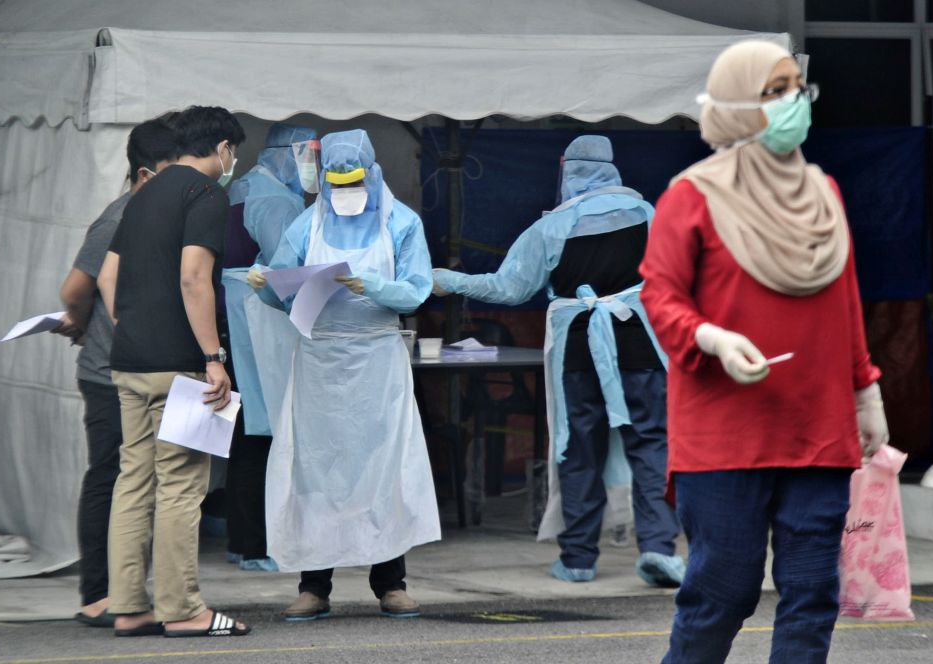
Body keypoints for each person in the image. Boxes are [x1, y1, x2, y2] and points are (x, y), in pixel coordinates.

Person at [638, 41, 888, 663]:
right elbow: (660, 295)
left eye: (795, 88)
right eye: (773, 91)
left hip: (818, 429)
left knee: (811, 596)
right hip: (724, 435)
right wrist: (711, 338)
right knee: (722, 592)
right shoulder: (690, 195)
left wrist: (866, 391)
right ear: (736, 103)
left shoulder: (823, 190)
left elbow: (846, 304)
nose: (791, 103)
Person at [433, 135, 684, 587]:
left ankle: (579, 558)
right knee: (652, 447)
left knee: (579, 450)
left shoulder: (551, 228)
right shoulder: (650, 216)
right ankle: (659, 548)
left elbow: (508, 288)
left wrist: (450, 280)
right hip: (644, 348)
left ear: (567, 169)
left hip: (579, 352)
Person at [248, 128, 440, 621]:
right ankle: (314, 585)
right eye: (336, 184)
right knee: (316, 469)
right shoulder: (306, 224)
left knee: (384, 465)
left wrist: (371, 284)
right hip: (320, 360)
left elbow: (416, 291)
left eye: (353, 182)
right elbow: (283, 288)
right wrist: (265, 283)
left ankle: (390, 581)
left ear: (372, 174)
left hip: (377, 359)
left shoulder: (402, 222)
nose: (345, 193)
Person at [96, 106, 251, 638]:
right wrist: (213, 357)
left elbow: (108, 275)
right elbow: (194, 277)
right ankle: (184, 610)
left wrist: (131, 323)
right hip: (178, 367)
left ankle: (130, 607)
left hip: (129, 362)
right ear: (224, 148)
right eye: (236, 152)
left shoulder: (142, 195)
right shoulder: (206, 195)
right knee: (182, 487)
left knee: (133, 482)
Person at [52, 120, 178, 627]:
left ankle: (130, 590)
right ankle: (98, 594)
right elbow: (73, 291)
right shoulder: (118, 218)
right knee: (111, 476)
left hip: (140, 365)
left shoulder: (156, 212)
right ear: (146, 174)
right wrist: (83, 326)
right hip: (108, 372)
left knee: (142, 481)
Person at [221, 122, 316, 572]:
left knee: (245, 429)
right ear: (288, 155)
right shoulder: (276, 200)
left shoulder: (241, 186)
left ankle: (244, 540)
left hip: (233, 316)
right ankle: (261, 543)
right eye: (307, 156)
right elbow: (288, 270)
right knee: (268, 430)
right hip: (260, 319)